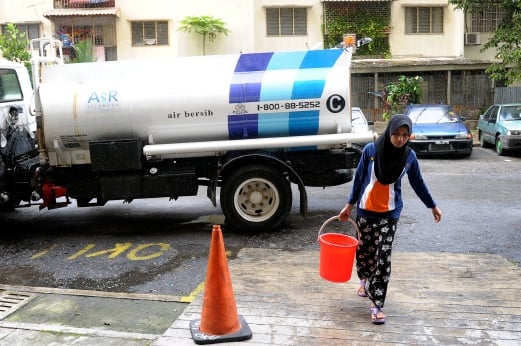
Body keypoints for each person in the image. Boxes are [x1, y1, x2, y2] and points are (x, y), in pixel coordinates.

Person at [338, 114, 442, 325]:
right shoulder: (371, 150)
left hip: (390, 214)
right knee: (365, 251)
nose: (400, 139)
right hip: (366, 212)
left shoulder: (409, 157)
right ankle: (364, 279)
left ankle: (376, 304)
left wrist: (432, 205)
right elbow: (359, 180)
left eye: (405, 135)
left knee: (382, 257)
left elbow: (418, 183)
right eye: (396, 134)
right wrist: (348, 207)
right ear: (389, 132)